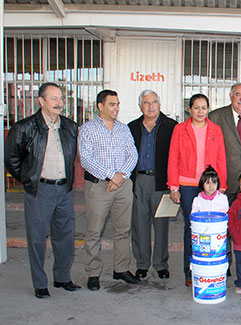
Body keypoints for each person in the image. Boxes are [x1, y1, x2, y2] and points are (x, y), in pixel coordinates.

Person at [5, 82, 80, 298]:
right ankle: (39, 283)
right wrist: (29, 180)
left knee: (65, 237)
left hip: (64, 190)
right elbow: (11, 159)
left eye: (61, 98)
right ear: (41, 101)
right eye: (54, 99)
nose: (59, 103)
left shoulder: (70, 127)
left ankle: (62, 278)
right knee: (37, 239)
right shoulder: (24, 127)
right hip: (40, 191)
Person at [79, 89, 139, 291]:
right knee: (94, 231)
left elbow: (132, 154)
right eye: (112, 104)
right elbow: (86, 159)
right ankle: (93, 273)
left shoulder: (123, 129)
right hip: (98, 187)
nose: (116, 108)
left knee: (123, 230)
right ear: (100, 106)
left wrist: (120, 176)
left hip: (123, 185)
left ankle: (121, 268)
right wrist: (110, 175)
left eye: (118, 104)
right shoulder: (87, 129)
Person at [167, 93, 227, 287]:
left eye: (204, 108)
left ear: (208, 109)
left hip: (210, 186)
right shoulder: (179, 129)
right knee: (191, 228)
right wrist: (173, 186)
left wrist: (222, 185)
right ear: (190, 109)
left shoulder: (216, 129)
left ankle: (213, 267)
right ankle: (190, 271)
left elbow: (221, 159)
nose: (200, 112)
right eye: (196, 108)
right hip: (187, 187)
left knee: (214, 227)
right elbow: (173, 158)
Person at [128, 89, 177, 280]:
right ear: (140, 106)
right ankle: (142, 264)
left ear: (160, 104)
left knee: (162, 225)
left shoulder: (172, 127)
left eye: (154, 102)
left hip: (162, 181)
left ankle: (161, 264)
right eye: (146, 103)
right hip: (139, 180)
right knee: (139, 225)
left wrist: (175, 185)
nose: (150, 106)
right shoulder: (131, 127)